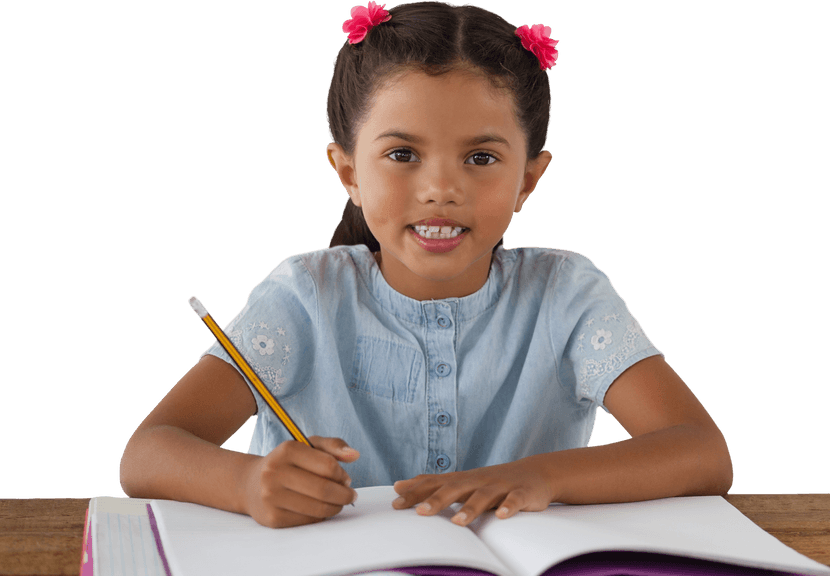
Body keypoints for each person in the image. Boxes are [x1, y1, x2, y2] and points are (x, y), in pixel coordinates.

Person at [118, 0, 733, 529]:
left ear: (530, 179)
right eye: (403, 153)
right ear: (349, 172)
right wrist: (249, 486)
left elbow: (700, 453)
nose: (441, 188)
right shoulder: (305, 296)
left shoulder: (565, 294)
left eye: (482, 158)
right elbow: (147, 453)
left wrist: (541, 475)